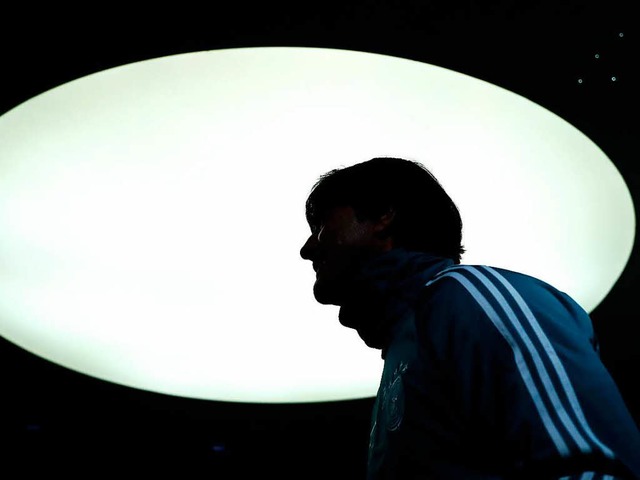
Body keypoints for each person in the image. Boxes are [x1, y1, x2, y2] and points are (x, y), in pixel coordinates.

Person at [299, 157, 640, 479]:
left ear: (383, 216)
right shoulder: (409, 341)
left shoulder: (465, 296)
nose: (308, 248)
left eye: (321, 226)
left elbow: (593, 464)